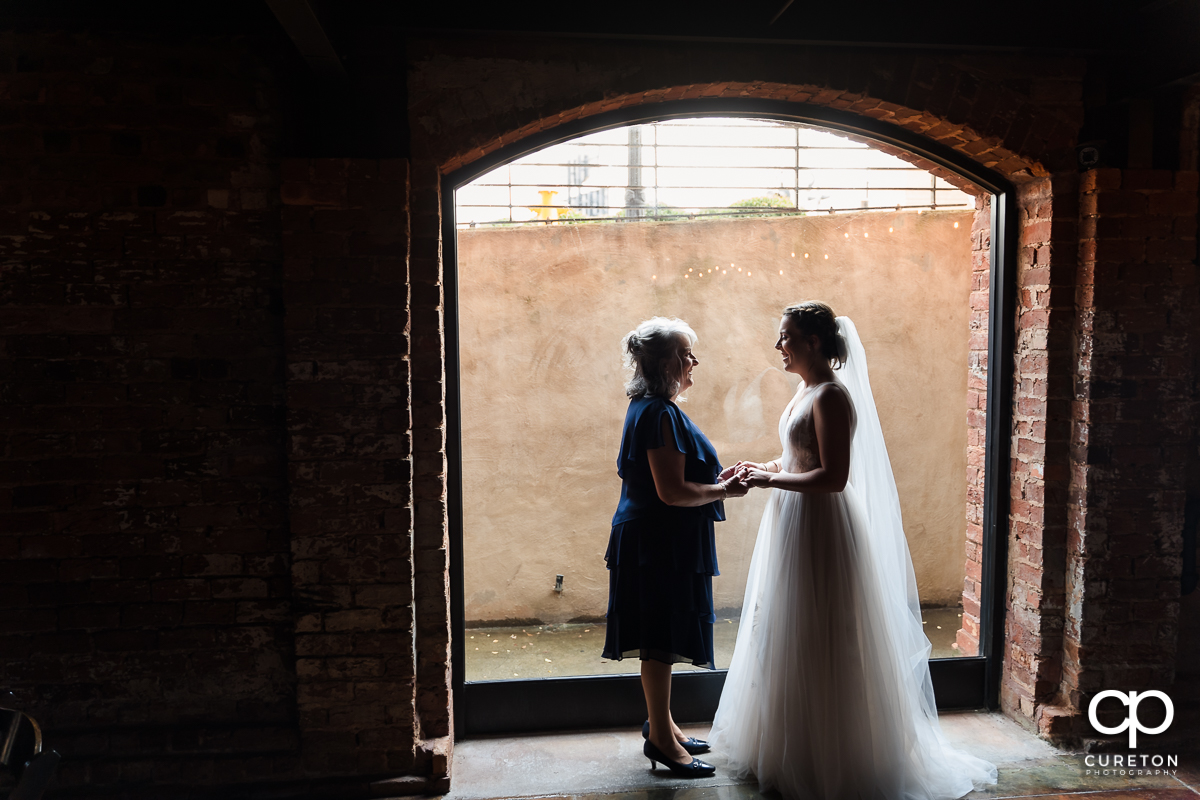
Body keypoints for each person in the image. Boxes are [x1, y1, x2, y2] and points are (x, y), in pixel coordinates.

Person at [708, 301, 997, 800]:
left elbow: (834, 477)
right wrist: (763, 465)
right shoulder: (805, 391)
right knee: (786, 628)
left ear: (813, 342)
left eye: (786, 336)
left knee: (823, 631)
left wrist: (768, 478)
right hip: (793, 520)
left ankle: (834, 756)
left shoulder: (833, 397)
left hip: (822, 525)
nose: (778, 345)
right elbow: (803, 456)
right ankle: (790, 744)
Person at [602, 317, 748, 778]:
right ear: (667, 363)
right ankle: (663, 743)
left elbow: (677, 483)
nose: (694, 362)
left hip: (656, 537)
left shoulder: (650, 407)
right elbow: (672, 492)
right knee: (659, 641)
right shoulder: (659, 413)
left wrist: (713, 483)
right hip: (657, 541)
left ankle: (663, 724)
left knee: (659, 638)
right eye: (687, 354)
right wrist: (725, 491)